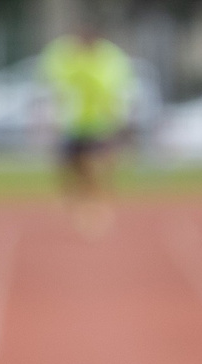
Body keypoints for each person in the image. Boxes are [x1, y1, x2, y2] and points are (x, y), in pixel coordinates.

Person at [41, 18, 135, 233]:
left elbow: (118, 93)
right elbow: (55, 89)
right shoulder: (64, 57)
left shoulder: (110, 60)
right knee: (71, 169)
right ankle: (81, 202)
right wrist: (51, 118)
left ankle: (96, 209)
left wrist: (118, 121)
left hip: (99, 125)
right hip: (72, 124)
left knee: (95, 167)